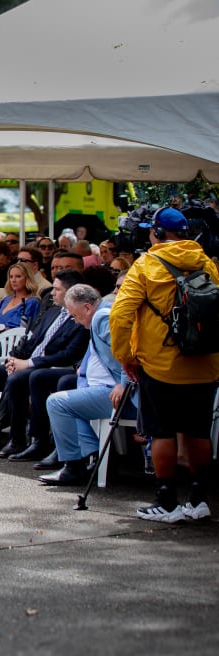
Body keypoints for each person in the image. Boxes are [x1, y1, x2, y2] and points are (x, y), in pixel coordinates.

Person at [110, 207, 219, 523]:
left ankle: (166, 500)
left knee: (162, 433)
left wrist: (125, 356)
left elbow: (120, 316)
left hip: (160, 364)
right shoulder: (207, 263)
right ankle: (198, 499)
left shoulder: (146, 265)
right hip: (204, 362)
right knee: (199, 431)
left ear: (156, 233)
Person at [0, 270, 89, 456]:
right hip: (28, 363)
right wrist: (14, 359)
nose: (52, 293)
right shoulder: (52, 312)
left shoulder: (80, 318)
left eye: (57, 290)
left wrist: (28, 363)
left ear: (70, 292)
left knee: (20, 378)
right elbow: (32, 341)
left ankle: (21, 439)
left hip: (49, 368)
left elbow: (69, 354)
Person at [40, 284, 133, 486]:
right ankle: (94, 457)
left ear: (87, 308)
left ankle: (73, 466)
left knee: (56, 403)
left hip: (124, 395)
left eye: (75, 316)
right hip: (109, 390)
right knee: (70, 403)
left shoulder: (102, 317)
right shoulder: (100, 315)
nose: (75, 321)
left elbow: (129, 351)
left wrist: (123, 383)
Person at [0, 262, 41, 328]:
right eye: (11, 277)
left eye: (18, 276)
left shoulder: (33, 302)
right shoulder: (5, 300)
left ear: (27, 278)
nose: (13, 280)